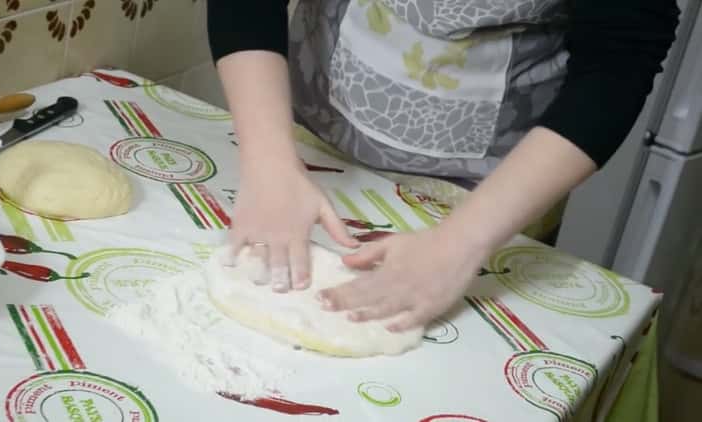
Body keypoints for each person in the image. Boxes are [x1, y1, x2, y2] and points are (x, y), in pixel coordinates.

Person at [206, 0, 679, 332]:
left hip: (493, 191)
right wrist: (268, 159)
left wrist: (461, 242)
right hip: (310, 138)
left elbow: (620, 60)